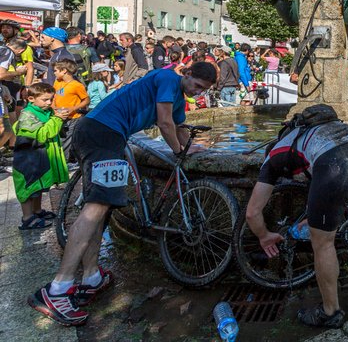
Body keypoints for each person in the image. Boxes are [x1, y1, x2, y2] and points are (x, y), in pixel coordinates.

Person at [28, 62, 217, 326]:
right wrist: (176, 151)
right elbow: (164, 122)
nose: (198, 93)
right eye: (196, 85)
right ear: (186, 74)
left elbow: (178, 127)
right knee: (94, 208)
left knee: (101, 209)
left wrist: (190, 147)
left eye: (203, 90)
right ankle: (58, 289)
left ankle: (92, 277)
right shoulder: (166, 78)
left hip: (107, 134)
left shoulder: (178, 100)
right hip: (102, 132)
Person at [244, 104, 348, 328]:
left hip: (332, 166)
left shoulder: (275, 154)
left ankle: (330, 311)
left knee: (323, 245)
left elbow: (252, 212)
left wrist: (264, 235)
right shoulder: (331, 128)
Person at [12, 82, 70, 230]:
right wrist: (57, 119)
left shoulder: (46, 111)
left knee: (38, 187)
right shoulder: (27, 115)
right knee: (28, 188)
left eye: (51, 99)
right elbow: (43, 135)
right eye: (45, 99)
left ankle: (37, 211)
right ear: (31, 98)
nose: (49, 102)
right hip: (28, 159)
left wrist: (58, 118)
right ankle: (27, 218)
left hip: (39, 157)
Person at [52, 60, 89, 162]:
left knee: (68, 139)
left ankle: (64, 160)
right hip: (59, 116)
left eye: (55, 70)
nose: (54, 73)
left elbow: (86, 100)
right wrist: (53, 107)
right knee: (61, 138)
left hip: (73, 117)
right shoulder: (57, 82)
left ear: (64, 71)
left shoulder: (77, 85)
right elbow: (54, 96)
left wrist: (73, 108)